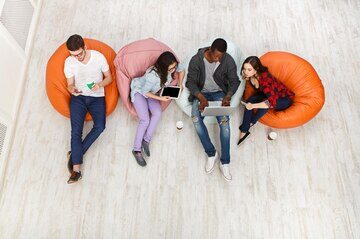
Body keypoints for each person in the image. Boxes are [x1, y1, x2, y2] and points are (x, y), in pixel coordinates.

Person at [186, 38, 240, 181]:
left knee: (225, 124)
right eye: (215, 55)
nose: (217, 59)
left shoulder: (227, 60)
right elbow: (190, 82)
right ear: (210, 49)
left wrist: (227, 96)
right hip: (201, 93)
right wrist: (200, 97)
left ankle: (225, 162)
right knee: (196, 119)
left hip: (219, 94)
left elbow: (235, 81)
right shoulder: (196, 60)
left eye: (220, 57)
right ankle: (211, 153)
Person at [64, 34, 113, 183]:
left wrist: (99, 85)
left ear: (85, 47)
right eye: (74, 55)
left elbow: (109, 78)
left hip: (97, 96)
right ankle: (76, 170)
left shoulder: (98, 57)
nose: (77, 57)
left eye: (79, 54)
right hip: (78, 98)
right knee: (76, 131)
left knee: (100, 126)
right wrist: (73, 89)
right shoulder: (69, 62)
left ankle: (74, 155)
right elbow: (69, 84)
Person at [130, 51, 185, 166]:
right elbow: (145, 92)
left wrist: (180, 83)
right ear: (164, 67)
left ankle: (146, 140)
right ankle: (136, 150)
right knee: (145, 120)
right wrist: (161, 99)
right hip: (140, 92)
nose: (173, 70)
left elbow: (182, 69)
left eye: (174, 67)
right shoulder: (152, 76)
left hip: (152, 91)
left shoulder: (172, 68)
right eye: (171, 69)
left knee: (158, 113)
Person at [238, 56, 295, 145]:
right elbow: (246, 76)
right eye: (244, 69)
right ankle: (246, 128)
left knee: (261, 103)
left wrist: (253, 106)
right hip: (269, 94)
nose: (246, 72)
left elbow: (270, 102)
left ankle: (249, 125)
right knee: (250, 100)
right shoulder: (252, 75)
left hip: (284, 99)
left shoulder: (265, 81)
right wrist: (247, 76)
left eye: (249, 70)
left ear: (256, 69)